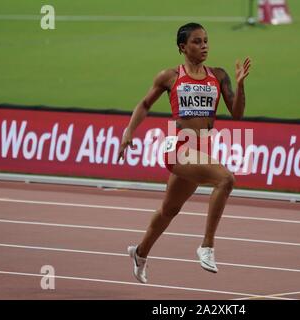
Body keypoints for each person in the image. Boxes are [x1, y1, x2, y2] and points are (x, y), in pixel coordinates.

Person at [117, 22, 251, 283]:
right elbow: (144, 104)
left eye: (206, 41)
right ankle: (207, 246)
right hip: (178, 149)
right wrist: (128, 132)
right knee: (226, 179)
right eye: (197, 42)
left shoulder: (218, 75)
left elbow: (237, 114)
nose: (204, 46)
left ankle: (140, 253)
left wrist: (240, 84)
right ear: (183, 47)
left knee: (170, 209)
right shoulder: (170, 76)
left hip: (203, 150)